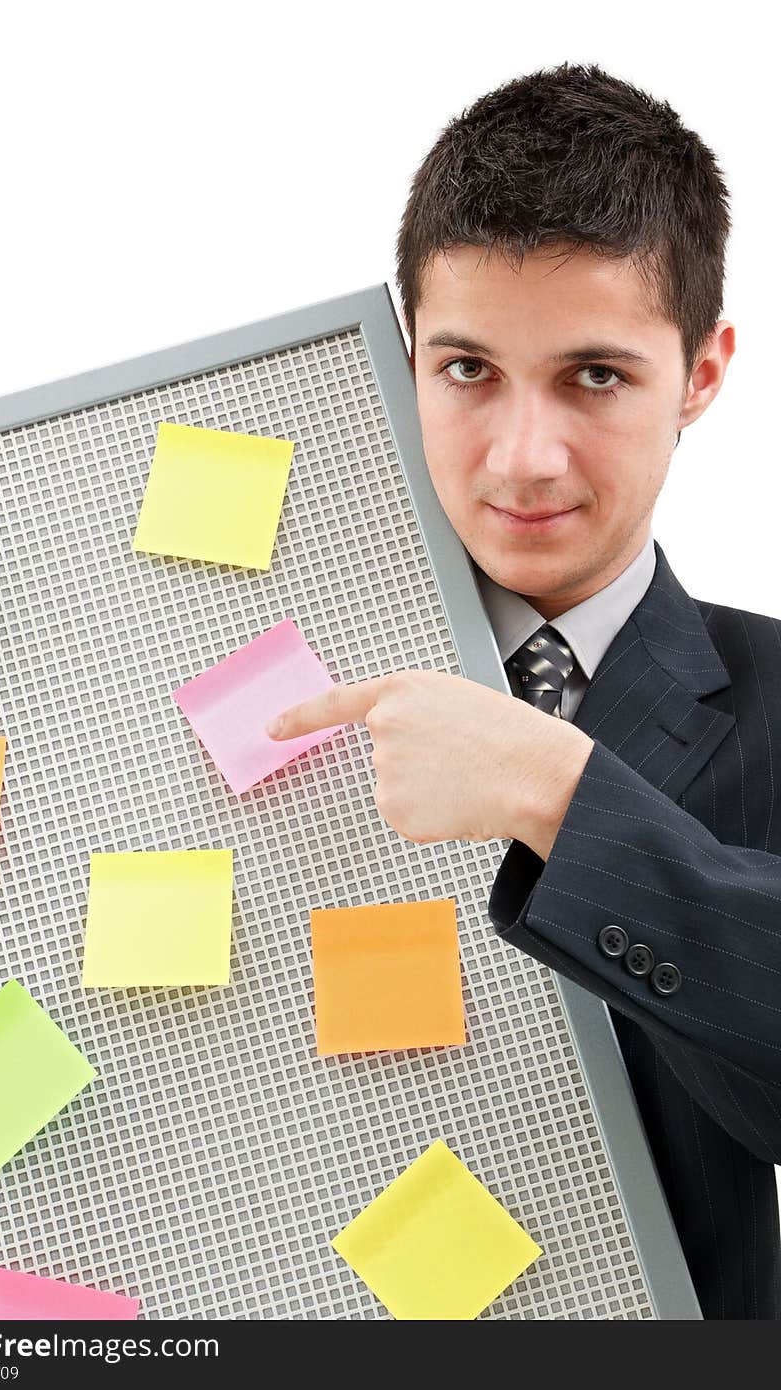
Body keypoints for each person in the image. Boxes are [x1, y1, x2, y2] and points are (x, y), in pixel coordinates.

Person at [265, 62, 781, 1320]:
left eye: (594, 375)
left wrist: (555, 787)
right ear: (403, 364)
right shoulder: (278, 669)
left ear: (701, 374)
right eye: (467, 370)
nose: (523, 456)